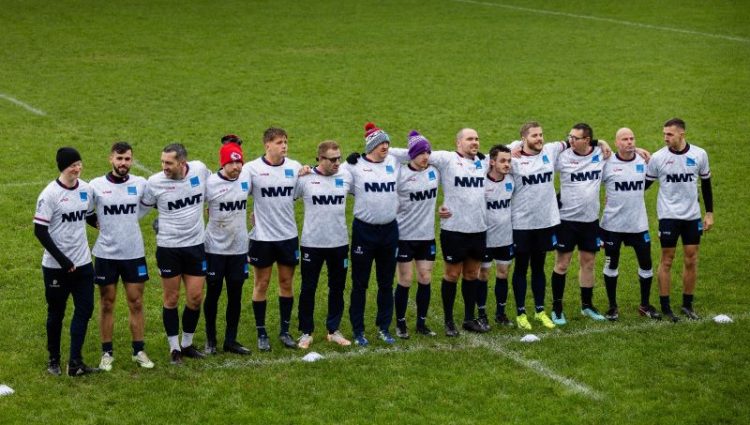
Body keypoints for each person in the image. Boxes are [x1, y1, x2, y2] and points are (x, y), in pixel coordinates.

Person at [393, 128, 489, 336]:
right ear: (458, 143)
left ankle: (469, 319)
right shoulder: (445, 159)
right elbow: (414, 153)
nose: (475, 142)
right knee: (452, 274)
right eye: (469, 139)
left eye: (477, 139)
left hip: (479, 228)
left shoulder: (484, 161)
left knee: (472, 274)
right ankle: (448, 321)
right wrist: (367, 156)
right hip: (454, 229)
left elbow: (508, 153)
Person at [141, 143, 210, 365]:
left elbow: (218, 184)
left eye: (169, 163)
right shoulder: (154, 182)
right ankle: (174, 348)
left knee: (195, 297)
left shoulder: (200, 170)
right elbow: (143, 207)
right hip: (169, 247)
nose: (164, 167)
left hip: (196, 245)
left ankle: (187, 344)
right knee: (171, 298)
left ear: (182, 162)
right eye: (162, 162)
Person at [89, 142, 154, 371]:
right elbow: (87, 212)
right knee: (107, 303)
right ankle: (107, 353)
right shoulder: (95, 185)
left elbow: (146, 206)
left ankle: (139, 350)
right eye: (119, 159)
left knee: (136, 302)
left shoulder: (141, 184)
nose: (123, 163)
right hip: (106, 254)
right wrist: (102, 225)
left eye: (127, 159)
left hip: (133, 253)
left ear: (132, 160)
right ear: (111, 159)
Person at [34, 147, 98, 376]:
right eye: (73, 165)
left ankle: (75, 362)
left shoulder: (86, 189)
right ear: (63, 167)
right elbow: (40, 230)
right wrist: (62, 260)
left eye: (79, 163)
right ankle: (53, 360)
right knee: (56, 313)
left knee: (85, 309)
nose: (77, 168)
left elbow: (88, 214)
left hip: (83, 263)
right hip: (56, 267)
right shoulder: (49, 194)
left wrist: (101, 225)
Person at [646, 118, 713, 322]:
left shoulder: (699, 154)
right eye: (664, 133)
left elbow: (707, 184)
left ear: (681, 134)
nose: (665, 137)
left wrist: (709, 213)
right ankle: (666, 306)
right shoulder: (658, 158)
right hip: (668, 216)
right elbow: (644, 185)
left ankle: (687, 304)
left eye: (669, 134)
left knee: (691, 259)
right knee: (667, 259)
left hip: (692, 216)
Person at [243, 128, 302, 350]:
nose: (284, 146)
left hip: (287, 236)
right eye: (279, 142)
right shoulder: (252, 169)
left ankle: (285, 331)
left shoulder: (295, 168)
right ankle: (261, 333)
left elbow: (299, 192)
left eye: (286, 142)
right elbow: (237, 192)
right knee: (262, 283)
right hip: (262, 238)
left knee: (286, 283)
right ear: (267, 144)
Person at [344, 122, 401, 346]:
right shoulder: (354, 166)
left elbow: (416, 153)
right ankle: (358, 330)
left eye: (387, 142)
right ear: (371, 146)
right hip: (364, 231)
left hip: (389, 230)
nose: (385, 146)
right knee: (360, 283)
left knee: (386, 283)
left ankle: (384, 327)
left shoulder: (394, 162)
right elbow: (330, 174)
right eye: (380, 143)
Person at [295, 141, 353, 349]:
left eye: (339, 158)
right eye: (332, 159)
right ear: (320, 159)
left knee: (337, 288)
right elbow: (284, 200)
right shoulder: (305, 179)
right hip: (312, 243)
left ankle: (333, 330)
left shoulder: (346, 177)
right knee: (308, 288)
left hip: (339, 243)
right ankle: (306, 332)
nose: (337, 162)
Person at [507, 122, 564, 330]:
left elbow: (575, 141)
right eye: (534, 136)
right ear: (524, 139)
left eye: (541, 134)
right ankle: (521, 313)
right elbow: (491, 159)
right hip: (521, 223)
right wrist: (510, 147)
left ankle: (540, 310)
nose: (539, 139)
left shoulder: (550, 150)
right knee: (521, 267)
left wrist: (600, 142)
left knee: (539, 267)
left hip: (546, 222)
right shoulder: (512, 158)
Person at [600, 128, 661, 320]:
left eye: (632, 138)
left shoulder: (644, 161)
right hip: (612, 226)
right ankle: (612, 307)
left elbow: (650, 181)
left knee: (646, 265)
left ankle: (645, 305)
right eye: (625, 139)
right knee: (612, 265)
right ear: (616, 142)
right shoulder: (606, 163)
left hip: (638, 225)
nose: (629, 142)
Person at [550, 123, 607, 324]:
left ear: (587, 140)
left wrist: (640, 151)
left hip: (590, 221)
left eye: (575, 138)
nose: (570, 140)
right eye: (570, 137)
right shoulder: (563, 157)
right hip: (566, 221)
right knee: (562, 264)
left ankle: (587, 305)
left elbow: (623, 155)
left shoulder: (600, 154)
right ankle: (557, 308)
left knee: (588, 263)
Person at [203, 142, 252, 355]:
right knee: (213, 294)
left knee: (235, 295)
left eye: (239, 162)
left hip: (239, 249)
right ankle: (210, 339)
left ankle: (230, 340)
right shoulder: (210, 183)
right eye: (232, 162)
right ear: (223, 163)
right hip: (214, 249)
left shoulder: (246, 179)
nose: (236, 167)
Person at [393, 131, 440, 338]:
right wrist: (410, 151)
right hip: (403, 236)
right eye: (421, 153)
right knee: (405, 279)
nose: (426, 157)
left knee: (425, 277)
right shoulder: (400, 173)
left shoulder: (435, 172)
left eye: (428, 152)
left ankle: (421, 323)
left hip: (426, 236)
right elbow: (390, 154)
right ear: (411, 154)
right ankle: (401, 323)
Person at [479, 144, 515, 327]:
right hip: (485, 239)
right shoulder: (481, 182)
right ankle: (481, 313)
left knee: (503, 273)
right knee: (483, 274)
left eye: (509, 160)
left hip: (506, 237)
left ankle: (501, 313)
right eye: (502, 160)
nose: (507, 164)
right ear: (491, 162)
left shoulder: (511, 181)